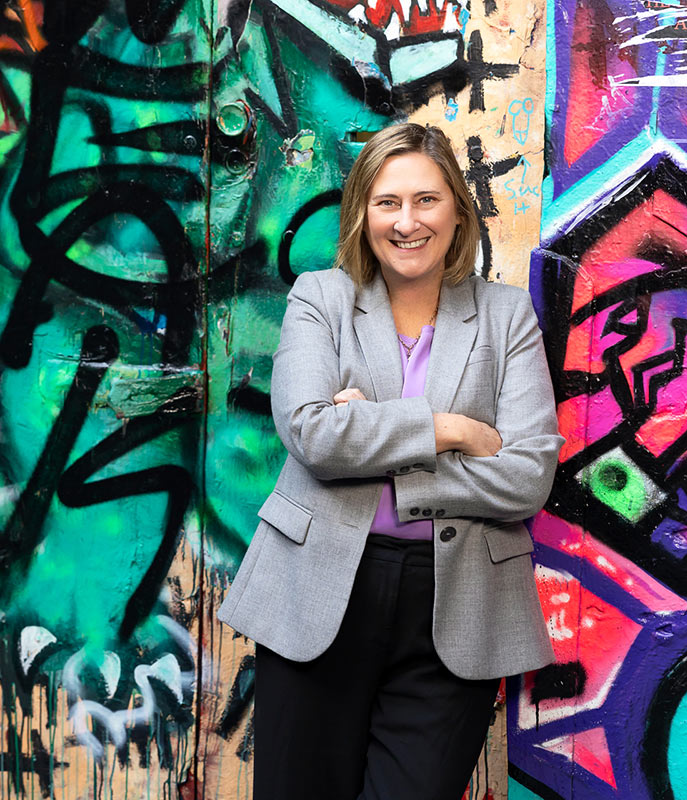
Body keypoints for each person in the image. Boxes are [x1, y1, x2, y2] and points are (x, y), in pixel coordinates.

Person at [218, 123, 564, 800]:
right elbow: (313, 435)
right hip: (318, 590)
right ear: (363, 214)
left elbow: (528, 477)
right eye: (387, 203)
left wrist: (372, 439)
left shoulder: (505, 315)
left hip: (459, 602)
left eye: (427, 200)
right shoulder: (320, 298)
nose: (407, 222)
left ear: (457, 211)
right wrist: (451, 430)